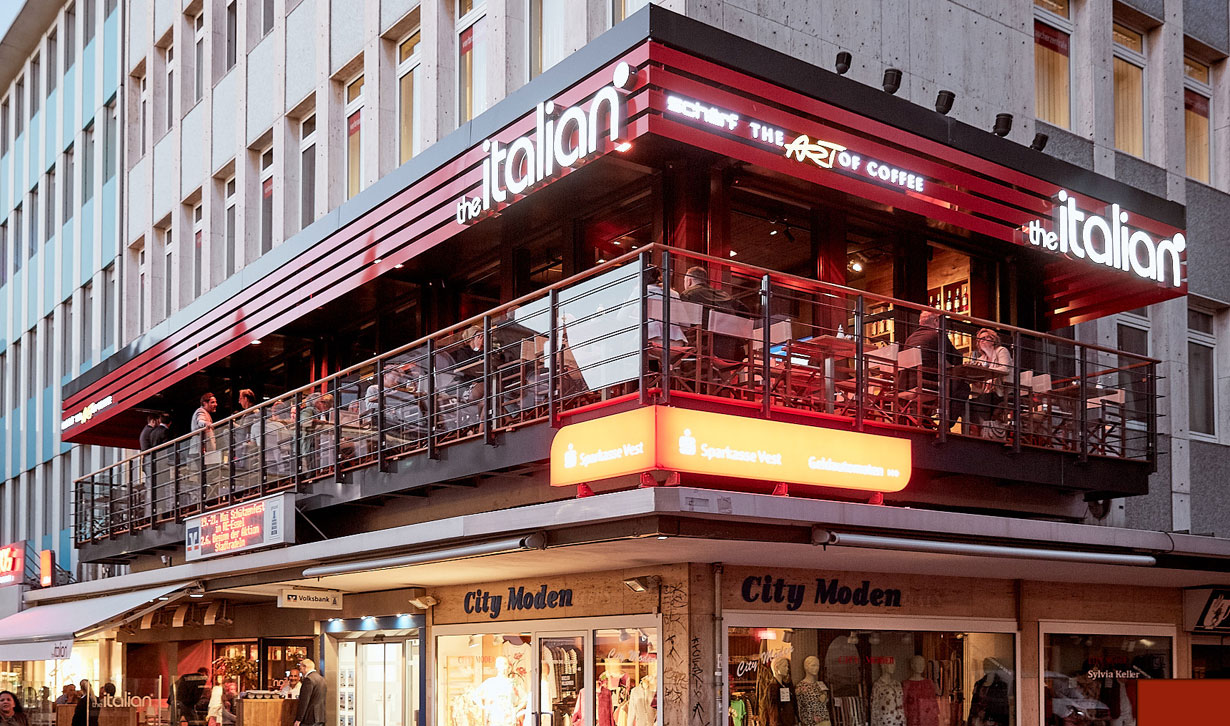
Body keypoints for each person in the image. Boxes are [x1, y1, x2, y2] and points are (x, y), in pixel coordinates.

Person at [903, 309, 969, 421]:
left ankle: (924, 422)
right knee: (963, 387)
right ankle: (946, 424)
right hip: (927, 383)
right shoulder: (937, 335)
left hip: (907, 384)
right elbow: (957, 359)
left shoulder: (910, 339)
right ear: (935, 321)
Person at [680, 265, 747, 363]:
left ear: (689, 281)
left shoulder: (688, 294)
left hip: (705, 351)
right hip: (733, 350)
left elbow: (683, 322)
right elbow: (746, 312)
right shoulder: (725, 295)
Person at [968, 328, 1012, 437]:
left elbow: (1005, 369)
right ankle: (982, 430)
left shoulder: (1001, 351)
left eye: (984, 338)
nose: (981, 341)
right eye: (979, 339)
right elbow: (979, 382)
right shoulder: (981, 359)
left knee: (983, 400)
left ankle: (986, 430)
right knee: (968, 403)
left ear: (993, 340)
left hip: (1001, 392)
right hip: (986, 393)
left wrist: (988, 373)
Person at [294, 659, 326, 726]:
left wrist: (299, 719)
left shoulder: (308, 679)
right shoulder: (321, 679)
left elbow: (304, 701)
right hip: (321, 716)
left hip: (310, 718)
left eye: (300, 668)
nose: (300, 671)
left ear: (305, 667)